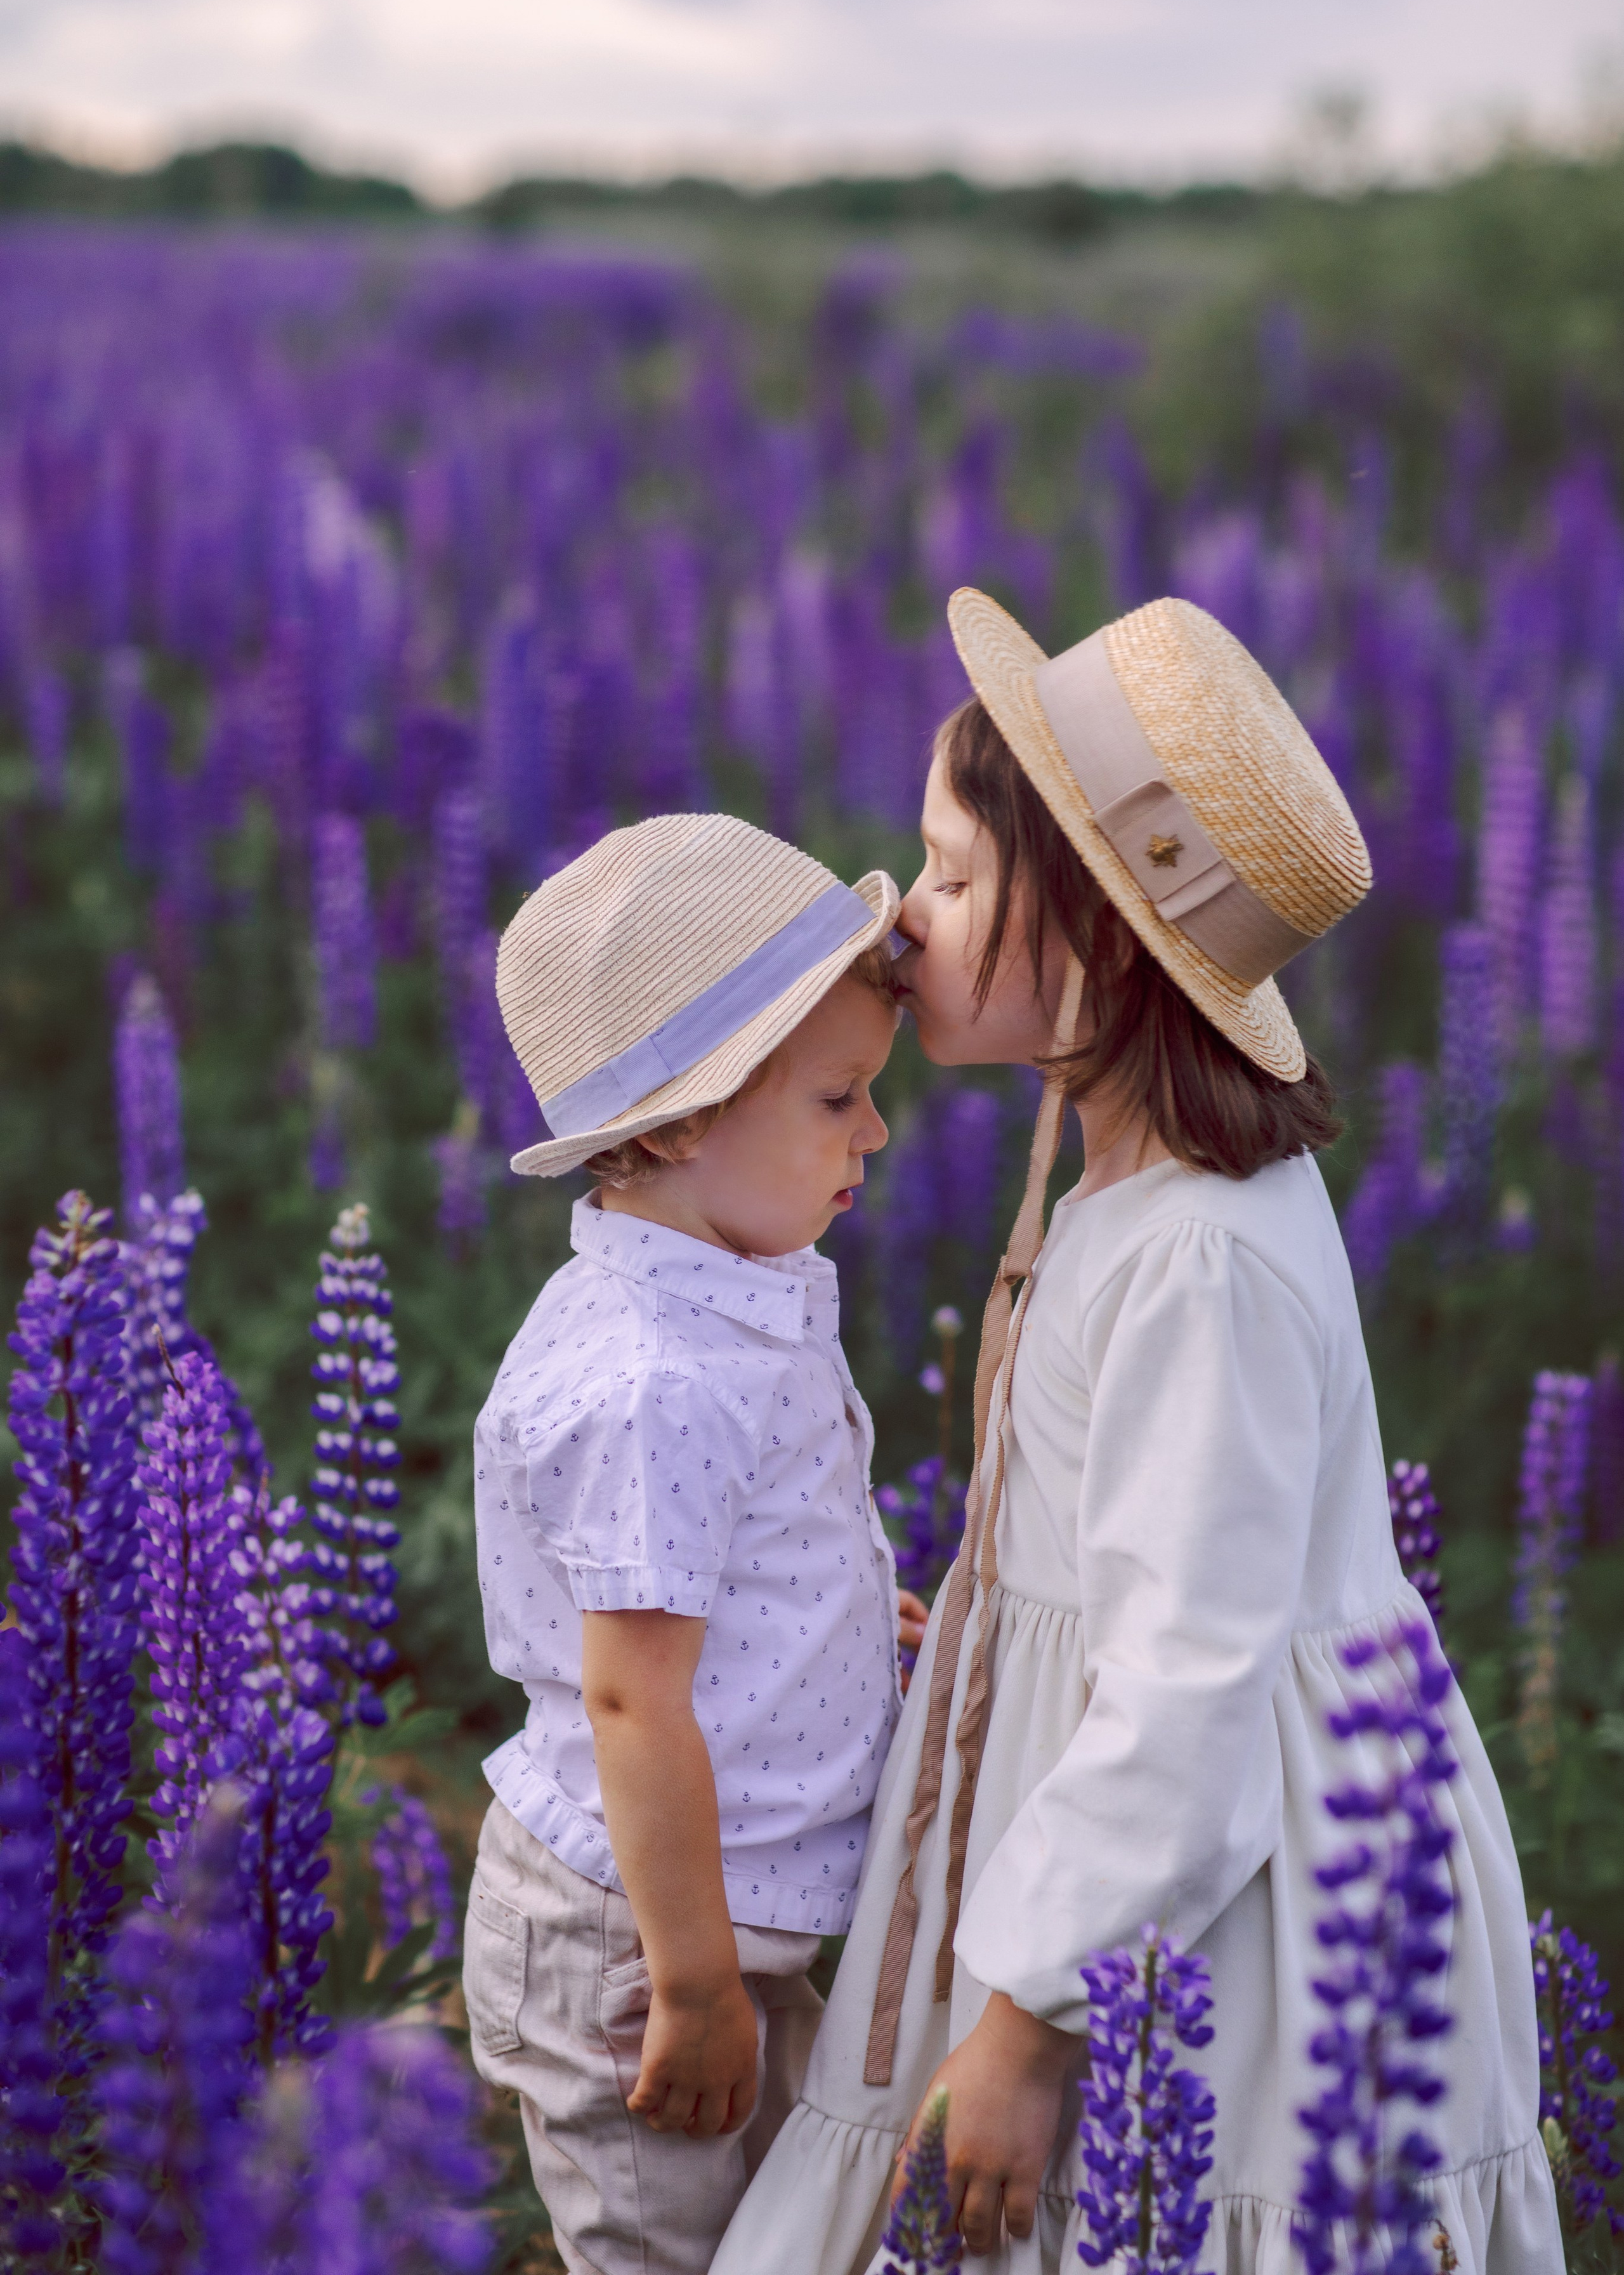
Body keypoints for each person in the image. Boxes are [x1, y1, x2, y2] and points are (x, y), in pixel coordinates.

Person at [713, 593, 1561, 2274]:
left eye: (955, 878)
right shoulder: (1129, 1179)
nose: (907, 919)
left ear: (1104, 941)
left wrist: (1032, 2018)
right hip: (1122, 1824)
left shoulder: (1199, 1257)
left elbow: (1188, 1676)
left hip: (1216, 1918)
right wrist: (985, 1639)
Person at [461, 810, 929, 2275]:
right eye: (837, 1097)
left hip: (726, 1915)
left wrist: (849, 1624)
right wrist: (693, 1983)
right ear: (675, 1125)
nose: (875, 1131)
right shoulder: (652, 1376)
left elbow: (725, 1562)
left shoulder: (726, 1281)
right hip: (638, 1942)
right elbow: (630, 1700)